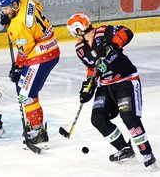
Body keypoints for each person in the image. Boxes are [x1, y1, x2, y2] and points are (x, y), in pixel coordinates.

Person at [66, 12, 157, 169]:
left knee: (129, 118)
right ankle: (124, 148)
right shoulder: (80, 48)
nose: (73, 34)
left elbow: (127, 32)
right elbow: (91, 68)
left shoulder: (104, 32)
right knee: (98, 118)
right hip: (105, 85)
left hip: (125, 81)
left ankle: (147, 153)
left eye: (73, 30)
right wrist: (88, 86)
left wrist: (112, 45)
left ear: (79, 29)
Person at [0, 0, 60, 148]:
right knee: (24, 89)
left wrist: (18, 67)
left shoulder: (18, 26)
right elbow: (39, 7)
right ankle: (35, 125)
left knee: (25, 93)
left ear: (14, 4)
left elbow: (25, 50)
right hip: (50, 47)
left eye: (5, 8)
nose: (4, 12)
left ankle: (38, 132)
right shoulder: (26, 0)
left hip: (41, 56)